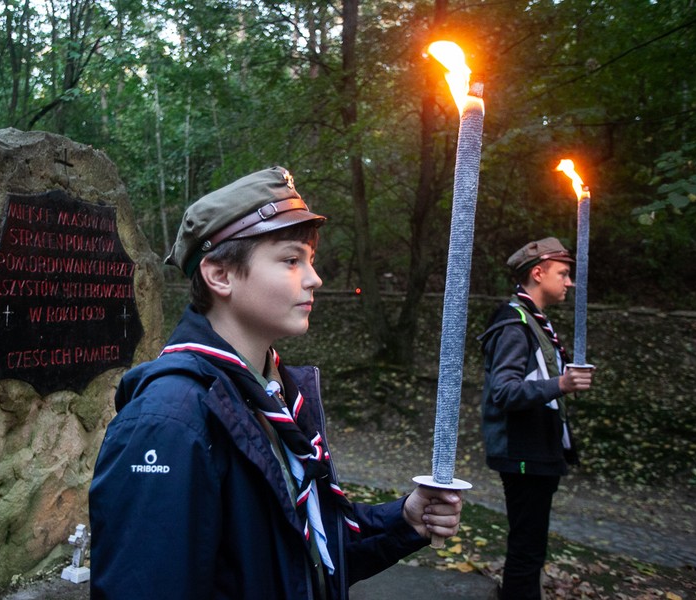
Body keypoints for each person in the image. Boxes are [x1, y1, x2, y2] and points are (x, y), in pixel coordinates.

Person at [89, 166, 463, 599]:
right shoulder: (169, 422)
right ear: (220, 275)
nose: (314, 278)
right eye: (290, 260)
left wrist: (403, 520)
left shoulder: (276, 394)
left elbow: (303, 553)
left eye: (310, 260)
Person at [477, 237, 595, 600]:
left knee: (530, 546)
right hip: (522, 452)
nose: (569, 282)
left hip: (537, 451)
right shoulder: (515, 324)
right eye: (563, 273)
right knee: (527, 549)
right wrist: (561, 383)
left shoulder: (534, 322)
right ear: (538, 273)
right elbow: (504, 392)